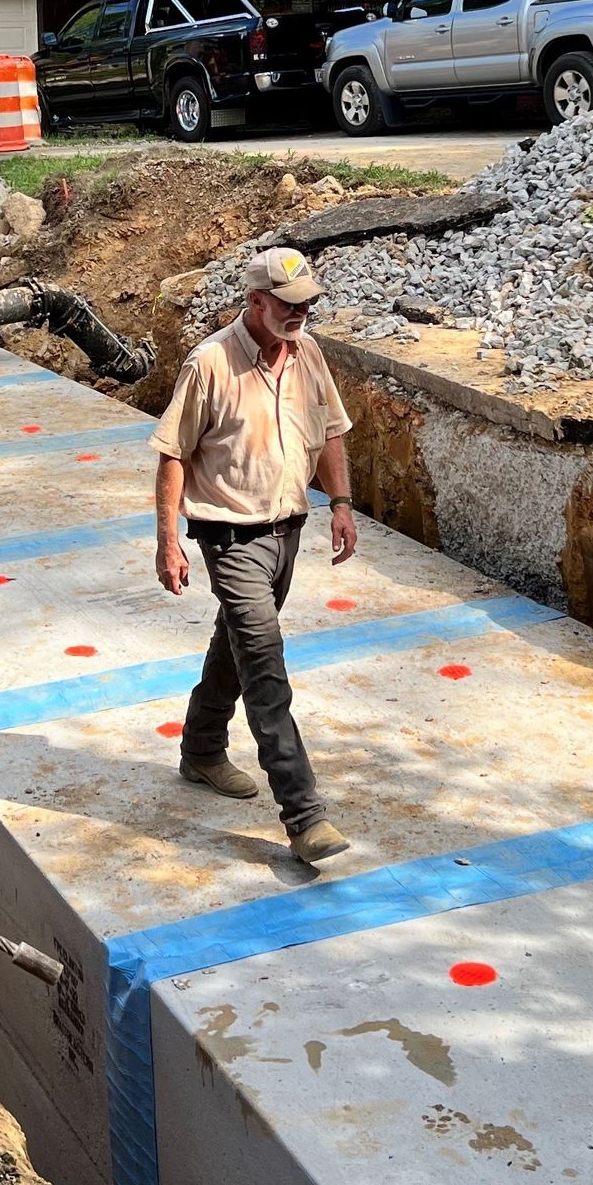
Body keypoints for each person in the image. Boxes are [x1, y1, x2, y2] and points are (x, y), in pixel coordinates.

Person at [151, 245, 358, 865]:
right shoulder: (209, 363)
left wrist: (341, 503)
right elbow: (170, 456)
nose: (300, 314)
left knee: (238, 648)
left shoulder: (309, 354)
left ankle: (201, 749)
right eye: (288, 305)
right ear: (255, 302)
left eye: (308, 304)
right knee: (266, 668)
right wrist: (166, 539)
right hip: (229, 536)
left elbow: (331, 432)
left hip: (287, 529)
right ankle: (304, 815)